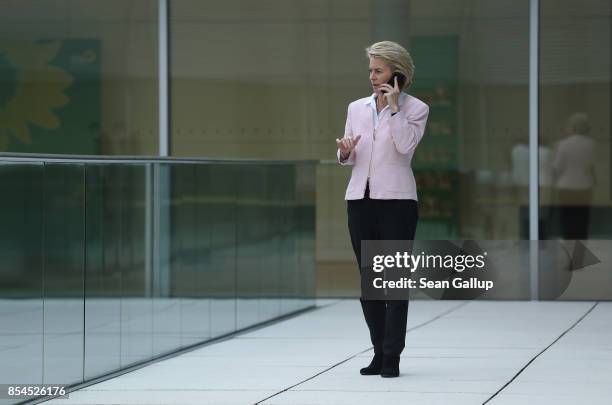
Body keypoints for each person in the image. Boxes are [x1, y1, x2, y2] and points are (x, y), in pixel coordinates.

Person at [335, 41, 429, 378]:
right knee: (370, 283)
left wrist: (393, 108)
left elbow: (404, 147)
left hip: (398, 204)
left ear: (397, 72)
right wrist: (345, 151)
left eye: (379, 71)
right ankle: (378, 351)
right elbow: (349, 154)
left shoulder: (415, 108)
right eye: (371, 71)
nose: (373, 77)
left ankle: (393, 356)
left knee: (393, 283)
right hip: (360, 200)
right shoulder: (356, 108)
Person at [552, 112, 596, 241]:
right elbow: (590, 166)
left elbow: (557, 167)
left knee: (568, 223)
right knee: (582, 223)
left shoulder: (563, 144)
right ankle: (579, 256)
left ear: (572, 126)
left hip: (566, 189)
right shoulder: (591, 144)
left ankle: (569, 255)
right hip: (585, 188)